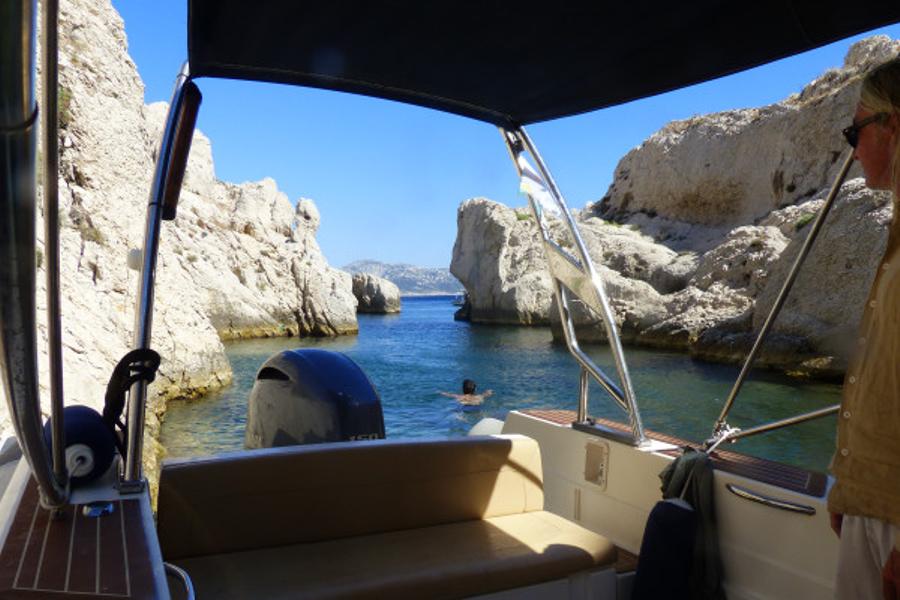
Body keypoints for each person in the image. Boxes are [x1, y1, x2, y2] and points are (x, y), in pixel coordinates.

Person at [828, 55, 900, 600]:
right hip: (872, 504)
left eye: (857, 131)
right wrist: (848, 492)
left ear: (893, 125)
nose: (854, 152)